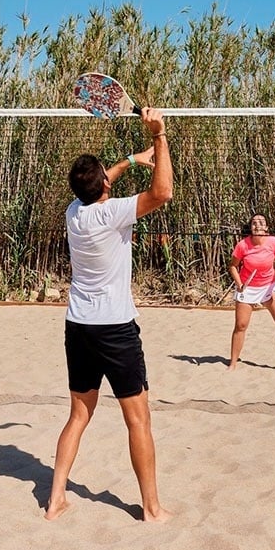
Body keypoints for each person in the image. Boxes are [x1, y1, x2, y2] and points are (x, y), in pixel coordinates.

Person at [44, 107, 172, 523]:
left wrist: (132, 160)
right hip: (115, 329)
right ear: (103, 185)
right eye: (106, 176)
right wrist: (159, 137)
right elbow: (162, 193)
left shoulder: (74, 211)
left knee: (79, 414)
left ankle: (56, 499)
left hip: (78, 326)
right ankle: (151, 509)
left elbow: (101, 181)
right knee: (138, 420)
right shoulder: (112, 212)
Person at [227, 213, 275, 374]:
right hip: (248, 287)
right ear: (251, 228)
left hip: (269, 285)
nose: (257, 225)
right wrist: (239, 284)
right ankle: (232, 363)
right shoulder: (242, 245)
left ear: (266, 227)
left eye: (261, 222)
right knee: (241, 325)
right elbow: (232, 266)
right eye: (254, 223)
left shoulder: (274, 242)